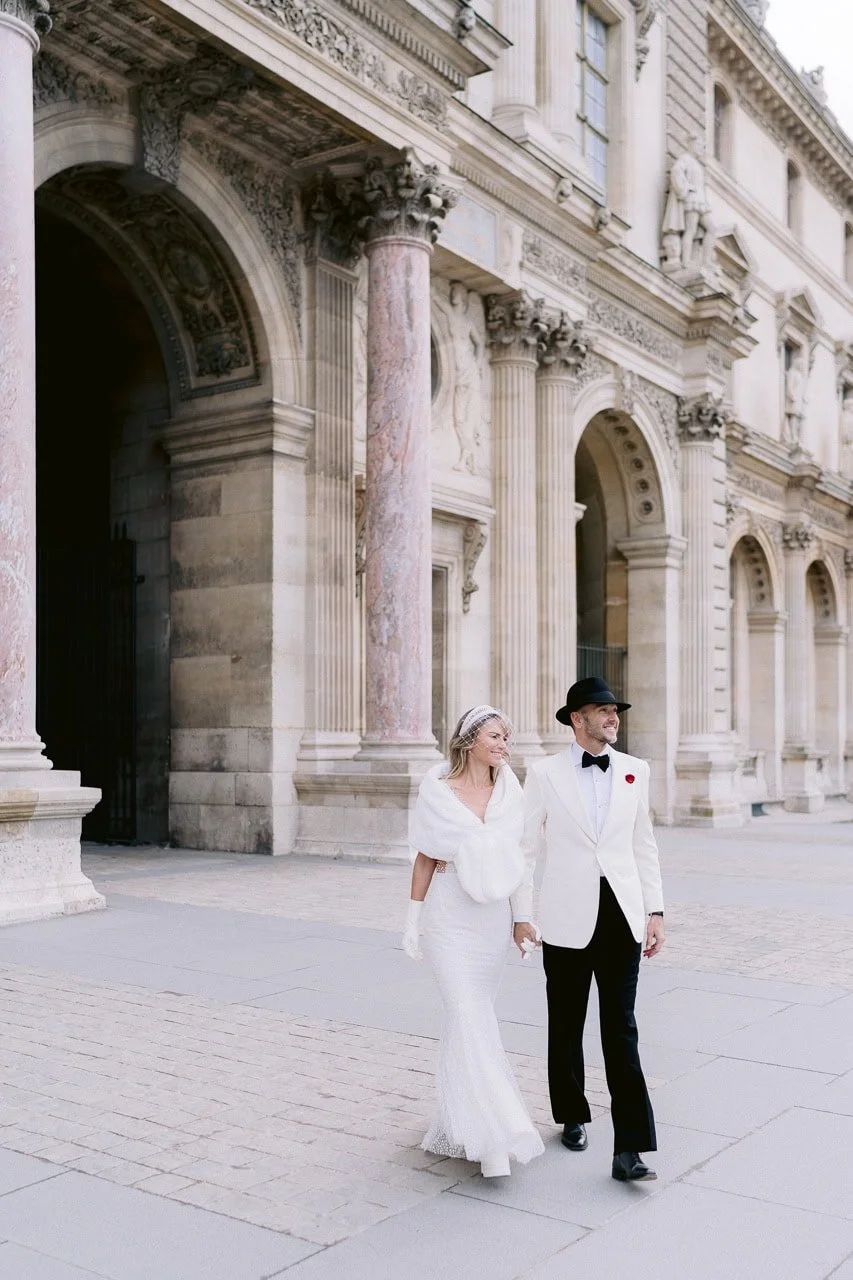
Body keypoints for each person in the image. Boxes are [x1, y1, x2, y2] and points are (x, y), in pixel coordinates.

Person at [512, 677, 665, 1183]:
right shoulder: (544, 773)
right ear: (577, 719)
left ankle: (630, 1148)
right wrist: (521, 912)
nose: (613, 718)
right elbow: (525, 848)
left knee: (621, 1028)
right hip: (565, 917)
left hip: (622, 913)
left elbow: (643, 844)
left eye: (615, 710)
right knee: (566, 1022)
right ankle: (572, 1113)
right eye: (603, 711)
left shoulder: (636, 770)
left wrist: (655, 911)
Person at [402, 705, 545, 1179]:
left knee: (474, 1016)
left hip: (490, 917)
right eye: (495, 736)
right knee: (465, 1011)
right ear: (468, 741)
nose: (504, 745)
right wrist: (412, 919)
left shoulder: (510, 793)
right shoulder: (437, 791)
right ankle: (495, 1136)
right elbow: (425, 856)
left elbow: (522, 861)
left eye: (507, 737)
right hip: (448, 913)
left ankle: (460, 1120)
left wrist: (522, 919)